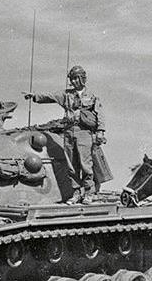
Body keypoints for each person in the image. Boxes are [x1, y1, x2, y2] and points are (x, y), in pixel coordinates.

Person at [25, 65, 105, 204]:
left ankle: (88, 193)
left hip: (84, 132)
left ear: (82, 79)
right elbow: (50, 96)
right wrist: (35, 96)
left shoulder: (91, 96)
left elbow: (100, 115)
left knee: (86, 164)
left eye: (75, 78)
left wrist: (100, 131)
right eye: (72, 79)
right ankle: (76, 193)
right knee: (71, 165)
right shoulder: (66, 95)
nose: (73, 81)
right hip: (68, 131)